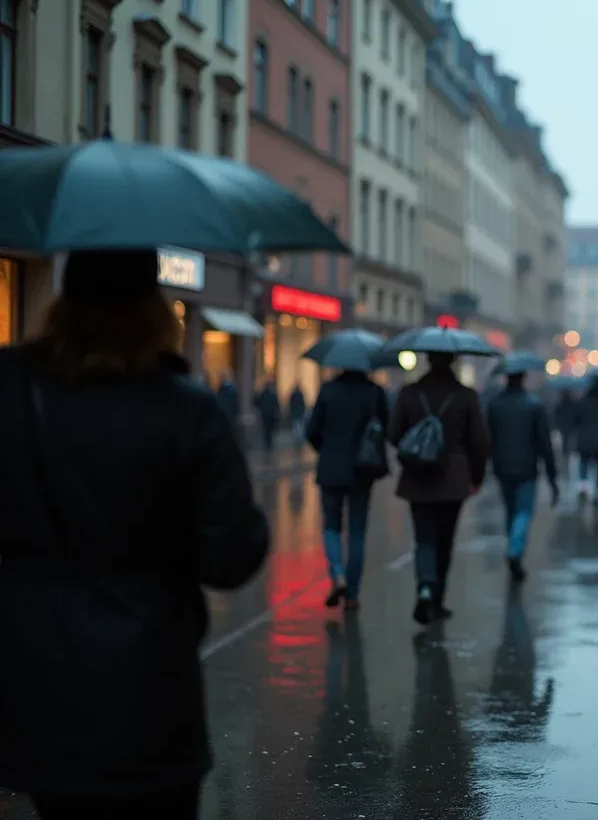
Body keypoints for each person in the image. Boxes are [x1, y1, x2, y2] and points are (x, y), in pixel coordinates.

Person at [0, 249, 269, 820]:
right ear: (155, 309)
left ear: (63, 305)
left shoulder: (13, 391)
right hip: (152, 684)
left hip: (38, 678)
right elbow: (232, 556)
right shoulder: (188, 409)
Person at [389, 351, 490, 624]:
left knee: (424, 539)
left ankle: (424, 587)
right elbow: (479, 442)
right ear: (454, 362)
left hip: (418, 476)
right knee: (445, 540)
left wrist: (417, 449)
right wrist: (476, 477)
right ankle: (438, 599)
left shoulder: (410, 393)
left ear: (428, 361)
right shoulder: (466, 396)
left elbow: (394, 433)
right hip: (453, 478)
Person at [306, 368, 390, 610]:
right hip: (363, 470)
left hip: (331, 468)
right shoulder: (374, 392)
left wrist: (326, 450)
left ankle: (337, 574)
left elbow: (312, 430)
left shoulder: (328, 390)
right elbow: (385, 428)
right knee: (356, 531)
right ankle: (352, 593)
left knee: (331, 525)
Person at [486, 369, 559, 581]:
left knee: (511, 510)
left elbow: (487, 438)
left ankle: (513, 546)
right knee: (524, 511)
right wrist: (552, 476)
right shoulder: (534, 405)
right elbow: (545, 444)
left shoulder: (495, 405)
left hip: (502, 467)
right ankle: (515, 551)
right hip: (527, 468)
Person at [553, 389, 579, 478]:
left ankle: (565, 467)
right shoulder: (574, 405)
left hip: (563, 428)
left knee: (564, 447)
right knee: (570, 446)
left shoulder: (559, 405)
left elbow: (556, 417)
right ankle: (568, 466)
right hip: (571, 428)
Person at [256, 378, 282, 453]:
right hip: (270, 415)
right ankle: (269, 444)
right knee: (269, 430)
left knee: (266, 430)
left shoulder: (263, 394)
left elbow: (258, 403)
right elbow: (277, 404)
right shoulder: (272, 394)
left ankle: (267, 443)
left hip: (266, 415)